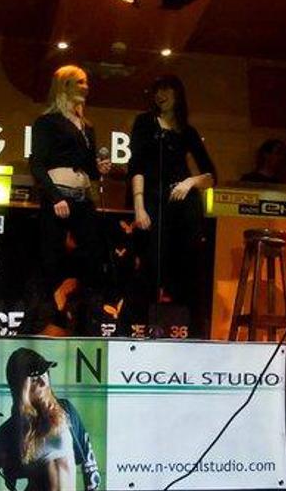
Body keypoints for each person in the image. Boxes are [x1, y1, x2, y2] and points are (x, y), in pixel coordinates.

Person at [128, 74, 216, 335]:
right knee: (150, 266)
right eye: (157, 90)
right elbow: (137, 166)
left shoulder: (188, 131)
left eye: (166, 89)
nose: (160, 95)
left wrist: (190, 182)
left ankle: (191, 332)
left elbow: (211, 176)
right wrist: (139, 206)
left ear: (178, 94)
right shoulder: (144, 123)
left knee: (187, 268)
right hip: (154, 203)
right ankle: (140, 329)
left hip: (184, 207)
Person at [29, 65, 111, 334]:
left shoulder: (86, 126)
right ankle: (45, 322)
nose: (86, 87)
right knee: (51, 262)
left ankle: (85, 322)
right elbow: (37, 164)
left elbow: (88, 168)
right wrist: (55, 197)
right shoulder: (47, 122)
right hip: (59, 196)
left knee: (91, 260)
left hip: (82, 197)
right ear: (65, 86)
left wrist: (99, 168)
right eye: (80, 82)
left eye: (86, 82)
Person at [0, 347, 100, 491]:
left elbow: (89, 461)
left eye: (44, 374)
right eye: (34, 379)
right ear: (21, 386)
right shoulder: (11, 431)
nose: (44, 382)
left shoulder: (65, 410)